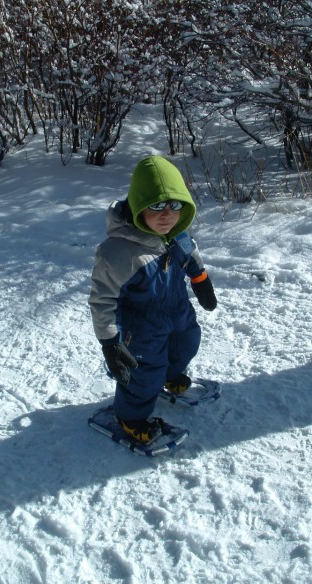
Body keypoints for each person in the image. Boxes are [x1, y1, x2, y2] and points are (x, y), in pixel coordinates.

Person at [89, 156, 217, 444]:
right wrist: (109, 341)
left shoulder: (175, 235)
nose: (167, 214)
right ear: (138, 207)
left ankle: (171, 377)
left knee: (186, 344)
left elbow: (191, 254)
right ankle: (130, 417)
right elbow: (102, 300)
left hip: (178, 312)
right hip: (142, 327)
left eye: (175, 205)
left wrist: (201, 279)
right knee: (143, 372)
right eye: (156, 205)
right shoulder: (118, 253)